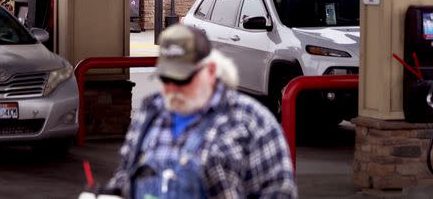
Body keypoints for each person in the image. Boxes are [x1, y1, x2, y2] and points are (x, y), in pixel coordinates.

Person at [101, 24, 297, 199]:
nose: (171, 89)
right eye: (165, 79)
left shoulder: (252, 122)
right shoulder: (149, 113)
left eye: (181, 79)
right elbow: (125, 176)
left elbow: (279, 192)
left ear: (210, 71)